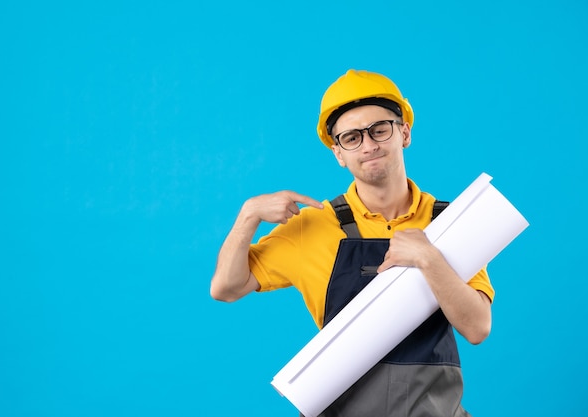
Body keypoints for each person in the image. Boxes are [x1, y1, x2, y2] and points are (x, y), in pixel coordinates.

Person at [210, 69, 494, 416]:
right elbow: (225, 287)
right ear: (338, 153)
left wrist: (428, 258)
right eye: (352, 138)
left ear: (404, 132)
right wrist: (247, 215)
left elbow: (477, 327)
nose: (369, 145)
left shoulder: (449, 223)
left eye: (379, 129)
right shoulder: (312, 226)